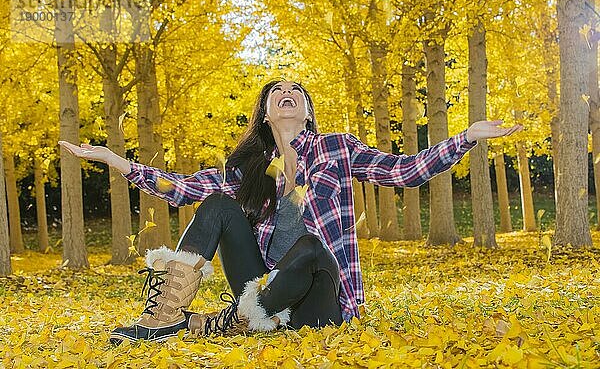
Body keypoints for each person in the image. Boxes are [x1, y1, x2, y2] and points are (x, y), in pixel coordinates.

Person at [59, 80, 523, 345]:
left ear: (307, 111)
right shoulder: (251, 170)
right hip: (262, 282)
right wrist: (117, 163)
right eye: (277, 91)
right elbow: (182, 188)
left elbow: (406, 172)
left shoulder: (336, 149)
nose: (287, 92)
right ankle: (163, 319)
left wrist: (466, 137)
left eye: (295, 91)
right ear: (265, 114)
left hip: (318, 298)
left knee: (309, 246)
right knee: (218, 202)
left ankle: (241, 320)